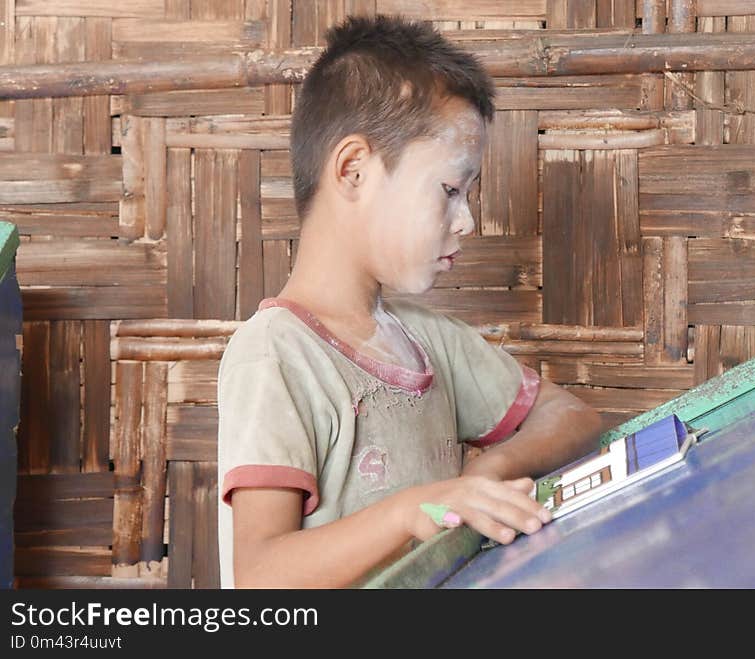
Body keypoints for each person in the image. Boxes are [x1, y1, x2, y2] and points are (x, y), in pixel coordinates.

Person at [217, 14, 603, 588]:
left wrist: (490, 470)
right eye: (450, 190)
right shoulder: (275, 355)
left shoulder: (432, 341)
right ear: (354, 170)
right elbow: (261, 577)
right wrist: (417, 510)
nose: (466, 221)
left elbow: (575, 418)